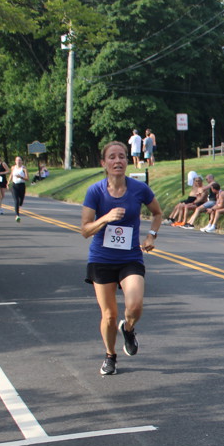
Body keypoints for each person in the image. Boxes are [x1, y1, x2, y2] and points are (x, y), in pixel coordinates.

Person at [80, 140, 162, 375]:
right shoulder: (95, 191)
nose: (118, 161)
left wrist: (151, 235)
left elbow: (157, 213)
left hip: (130, 257)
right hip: (102, 259)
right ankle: (110, 356)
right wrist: (105, 218)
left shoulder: (139, 189)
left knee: (134, 306)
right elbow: (85, 230)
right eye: (112, 157)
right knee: (109, 315)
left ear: (127, 160)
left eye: (122, 156)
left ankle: (128, 328)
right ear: (103, 163)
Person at [7, 156, 28, 222]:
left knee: (21, 201)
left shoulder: (24, 168)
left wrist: (21, 177)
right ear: (15, 161)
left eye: (20, 160)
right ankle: (17, 215)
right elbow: (11, 175)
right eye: (17, 160)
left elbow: (27, 178)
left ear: (22, 161)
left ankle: (19, 205)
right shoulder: (13, 167)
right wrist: (8, 182)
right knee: (16, 200)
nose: (18, 161)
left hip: (22, 186)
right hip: (14, 186)